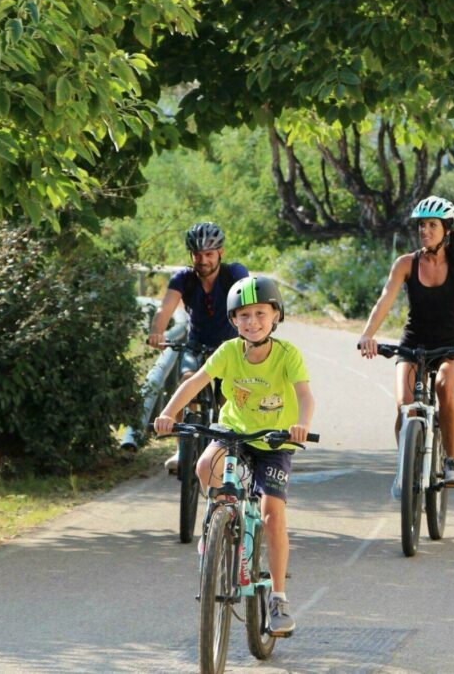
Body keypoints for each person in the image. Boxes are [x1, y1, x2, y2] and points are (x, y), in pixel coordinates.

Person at [154, 276, 314, 636]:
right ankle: (216, 524)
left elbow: (305, 395)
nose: (252, 321)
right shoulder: (228, 352)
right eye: (243, 315)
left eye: (260, 313)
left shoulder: (287, 355)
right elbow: (193, 382)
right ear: (233, 320)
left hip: (275, 440)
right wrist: (168, 413)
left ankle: (278, 598)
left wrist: (301, 425)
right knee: (204, 465)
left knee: (273, 514)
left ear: (276, 316)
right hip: (235, 433)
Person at [357, 195, 454, 487]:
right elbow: (384, 300)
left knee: (443, 385)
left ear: (447, 230)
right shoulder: (406, 263)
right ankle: (406, 466)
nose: (424, 230)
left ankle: (451, 462)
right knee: (406, 405)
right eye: (421, 225)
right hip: (414, 343)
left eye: (432, 225)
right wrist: (368, 335)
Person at [147, 222, 249, 473]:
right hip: (196, 345)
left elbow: (249, 300)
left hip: (230, 347)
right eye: (197, 255)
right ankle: (183, 450)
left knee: (229, 398)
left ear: (220, 253)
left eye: (208, 254)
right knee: (187, 383)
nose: (202, 260)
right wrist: (157, 331)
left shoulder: (234, 274)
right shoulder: (184, 279)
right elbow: (165, 308)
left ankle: (231, 453)